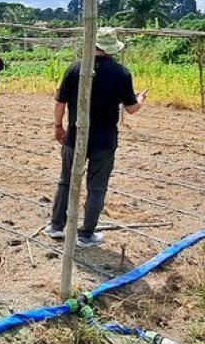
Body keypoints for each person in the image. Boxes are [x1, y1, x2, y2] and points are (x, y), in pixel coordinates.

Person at [44, 27, 147, 247]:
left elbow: (59, 102)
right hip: (104, 140)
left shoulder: (75, 68)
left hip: (75, 136)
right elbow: (131, 109)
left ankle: (56, 226)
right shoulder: (121, 73)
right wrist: (140, 99)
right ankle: (86, 234)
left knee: (66, 181)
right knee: (97, 187)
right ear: (112, 48)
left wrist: (58, 126)